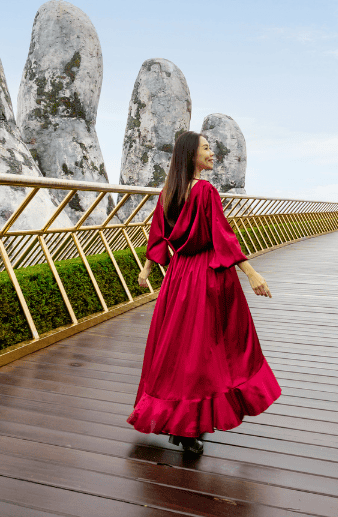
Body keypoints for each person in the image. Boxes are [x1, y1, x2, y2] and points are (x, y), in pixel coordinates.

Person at [126, 131, 281, 455]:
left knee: (178, 351)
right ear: (191, 156)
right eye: (207, 149)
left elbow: (158, 235)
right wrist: (252, 274)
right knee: (210, 352)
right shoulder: (206, 191)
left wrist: (147, 269)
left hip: (178, 277)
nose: (212, 153)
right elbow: (223, 237)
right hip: (208, 277)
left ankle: (180, 421)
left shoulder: (167, 191)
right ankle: (189, 425)